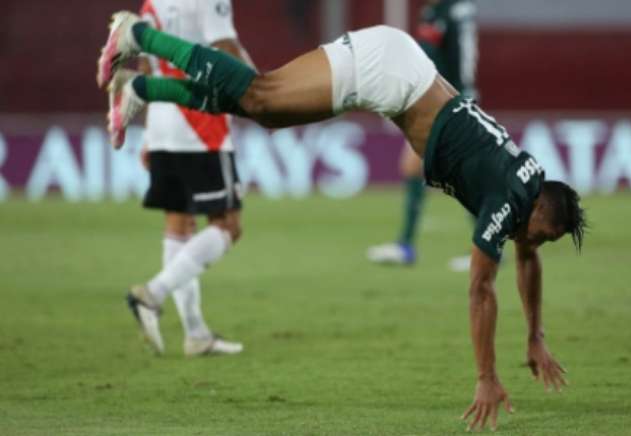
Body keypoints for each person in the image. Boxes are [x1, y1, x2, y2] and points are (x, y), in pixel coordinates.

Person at [97, 14, 586, 430]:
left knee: (264, 108)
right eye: (542, 234)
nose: (533, 242)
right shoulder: (506, 200)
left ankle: (141, 88)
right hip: (390, 72)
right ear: (540, 210)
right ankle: (139, 36)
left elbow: (527, 260)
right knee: (261, 92)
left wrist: (535, 336)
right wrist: (485, 375)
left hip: (400, 75)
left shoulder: (532, 181)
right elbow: (481, 289)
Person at [127, 0, 255, 356]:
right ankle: (151, 294)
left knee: (179, 226)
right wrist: (260, 93)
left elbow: (146, 62)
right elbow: (224, 46)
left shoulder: (150, 4)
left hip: (162, 123)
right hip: (201, 124)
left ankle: (196, 334)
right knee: (228, 225)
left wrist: (150, 135)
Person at [366, 0, 478, 270]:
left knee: (458, 176)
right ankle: (406, 246)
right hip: (449, 97)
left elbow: (430, 54)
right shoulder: (451, 10)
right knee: (417, 167)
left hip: (449, 100)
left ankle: (487, 248)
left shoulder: (445, 11)